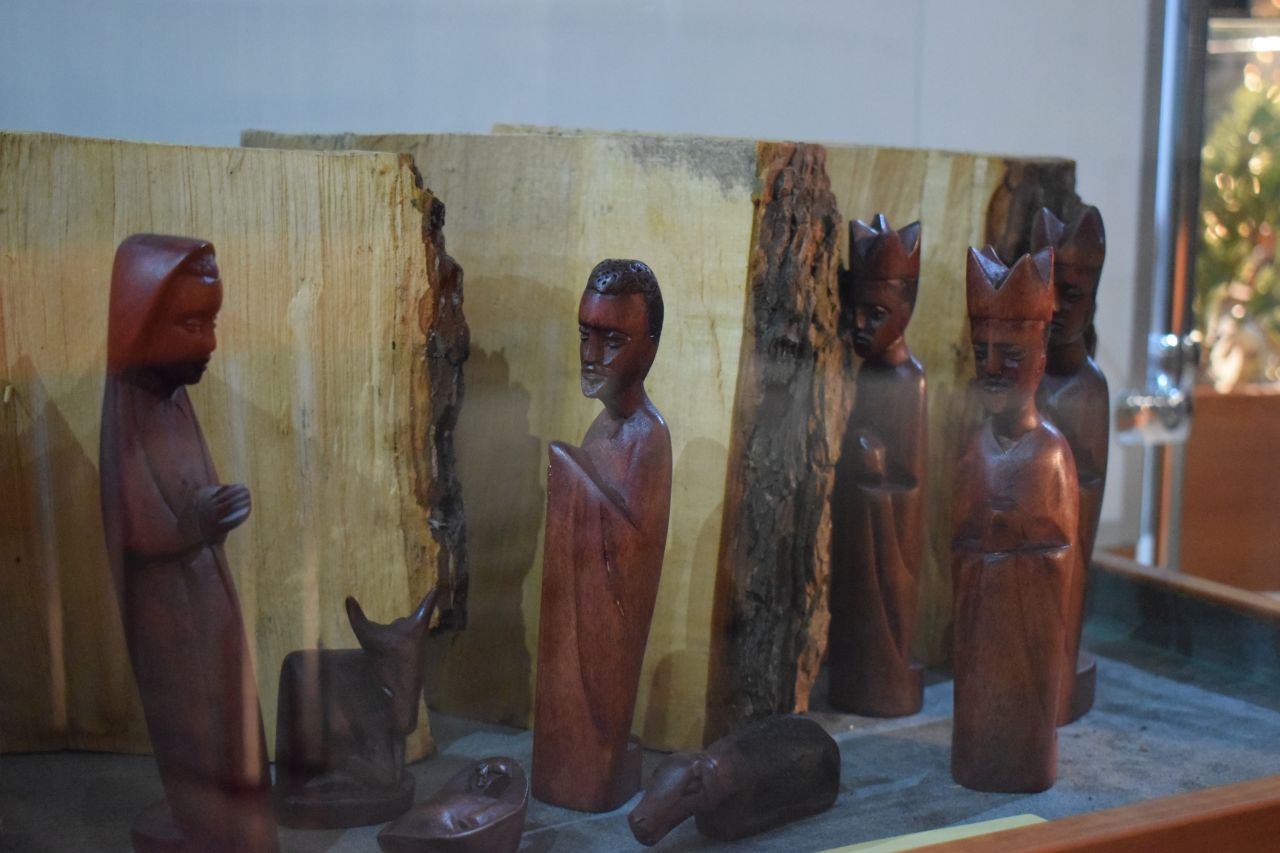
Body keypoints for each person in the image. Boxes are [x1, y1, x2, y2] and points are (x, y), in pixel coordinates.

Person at [99, 234, 277, 852]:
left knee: (230, 703)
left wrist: (215, 507)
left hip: (205, 583)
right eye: (191, 325)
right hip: (168, 605)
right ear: (139, 321)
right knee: (191, 712)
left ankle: (240, 818)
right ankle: (208, 822)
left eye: (212, 323)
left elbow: (189, 490)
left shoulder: (174, 402)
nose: (209, 344)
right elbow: (133, 523)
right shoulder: (129, 408)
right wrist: (196, 521)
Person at [532, 259, 672, 812]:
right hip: (573, 621)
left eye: (612, 340)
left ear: (650, 348)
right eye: (584, 335)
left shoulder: (647, 437)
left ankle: (592, 770)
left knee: (593, 721)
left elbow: (633, 558)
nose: (591, 355)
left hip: (605, 635)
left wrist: (569, 473)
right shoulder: (603, 427)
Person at [951, 246, 1080, 793]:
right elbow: (957, 542)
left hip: (1028, 632)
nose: (991, 369)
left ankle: (1025, 763)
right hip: (982, 625)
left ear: (1040, 358)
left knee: (1023, 711)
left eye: (1010, 355)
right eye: (982, 353)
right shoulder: (974, 447)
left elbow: (1062, 554)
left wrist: (1016, 538)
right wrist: (982, 543)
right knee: (978, 702)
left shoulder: (1051, 453)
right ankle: (977, 759)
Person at [828, 215, 927, 717]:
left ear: (906, 309)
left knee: (881, 621)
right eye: (856, 312)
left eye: (877, 313)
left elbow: (911, 481)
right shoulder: (865, 374)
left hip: (889, 536)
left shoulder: (910, 382)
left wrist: (874, 461)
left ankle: (881, 683)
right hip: (856, 526)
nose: (861, 325)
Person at [1030, 206, 1108, 723]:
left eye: (1072, 294)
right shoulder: (1023, 378)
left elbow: (1090, 482)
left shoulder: (1090, 389)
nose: (1056, 306)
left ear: (1093, 299)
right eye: (1047, 289)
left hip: (1062, 549)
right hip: (1021, 542)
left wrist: (1049, 478)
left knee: (1055, 633)